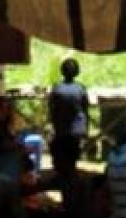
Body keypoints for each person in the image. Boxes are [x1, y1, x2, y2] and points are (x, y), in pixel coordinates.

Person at [48, 57, 90, 194]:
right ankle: (71, 185)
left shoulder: (57, 88)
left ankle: (65, 182)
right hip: (76, 131)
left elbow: (51, 109)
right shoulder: (81, 89)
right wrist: (86, 128)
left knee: (62, 159)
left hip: (62, 129)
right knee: (72, 159)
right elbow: (85, 109)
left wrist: (54, 123)